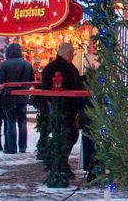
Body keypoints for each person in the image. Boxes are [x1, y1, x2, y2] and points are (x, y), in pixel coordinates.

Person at [41, 43, 86, 178]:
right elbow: (46, 88)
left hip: (71, 106)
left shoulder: (71, 68)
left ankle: (62, 161)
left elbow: (77, 84)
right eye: (70, 52)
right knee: (62, 134)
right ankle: (59, 163)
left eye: (73, 52)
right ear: (63, 52)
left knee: (72, 134)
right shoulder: (51, 68)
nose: (72, 55)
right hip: (59, 107)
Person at [0, 43, 34, 154]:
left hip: (8, 96)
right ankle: (23, 146)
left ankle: (11, 148)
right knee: (22, 121)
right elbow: (31, 80)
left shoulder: (5, 64)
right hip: (23, 95)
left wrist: (3, 92)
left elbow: (0, 81)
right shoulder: (27, 64)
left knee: (11, 121)